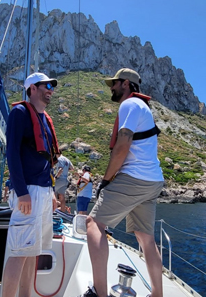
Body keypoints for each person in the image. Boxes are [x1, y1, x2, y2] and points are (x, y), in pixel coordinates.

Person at [83, 68, 164, 297]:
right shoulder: (143, 107)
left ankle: (100, 293)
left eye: (115, 83)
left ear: (126, 84)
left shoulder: (129, 105)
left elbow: (123, 143)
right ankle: (157, 294)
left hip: (134, 178)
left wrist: (106, 181)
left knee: (93, 224)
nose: (112, 88)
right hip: (153, 181)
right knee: (146, 238)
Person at [1, 72, 60, 297]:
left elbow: (48, 159)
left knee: (32, 251)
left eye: (52, 87)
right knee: (19, 252)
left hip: (44, 191)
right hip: (29, 191)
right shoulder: (20, 113)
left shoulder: (45, 118)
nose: (50, 90)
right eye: (46, 85)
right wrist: (21, 191)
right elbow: (12, 153)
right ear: (32, 88)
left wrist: (52, 191)